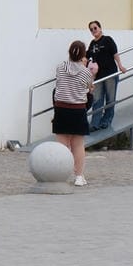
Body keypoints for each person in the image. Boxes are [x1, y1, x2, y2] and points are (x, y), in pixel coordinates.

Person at [50, 39, 94, 186]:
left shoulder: (60, 67)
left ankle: (60, 174)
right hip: (77, 110)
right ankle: (79, 176)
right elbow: (89, 87)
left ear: (69, 52)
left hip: (61, 109)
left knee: (62, 146)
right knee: (78, 145)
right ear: (83, 55)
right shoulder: (86, 72)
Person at [85, 20, 126, 131]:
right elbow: (86, 56)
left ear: (100, 28)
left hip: (110, 74)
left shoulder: (107, 40)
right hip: (98, 76)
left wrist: (120, 66)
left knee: (110, 99)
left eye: (95, 28)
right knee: (97, 100)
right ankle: (95, 123)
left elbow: (115, 53)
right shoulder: (92, 43)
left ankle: (106, 121)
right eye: (91, 29)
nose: (93, 30)